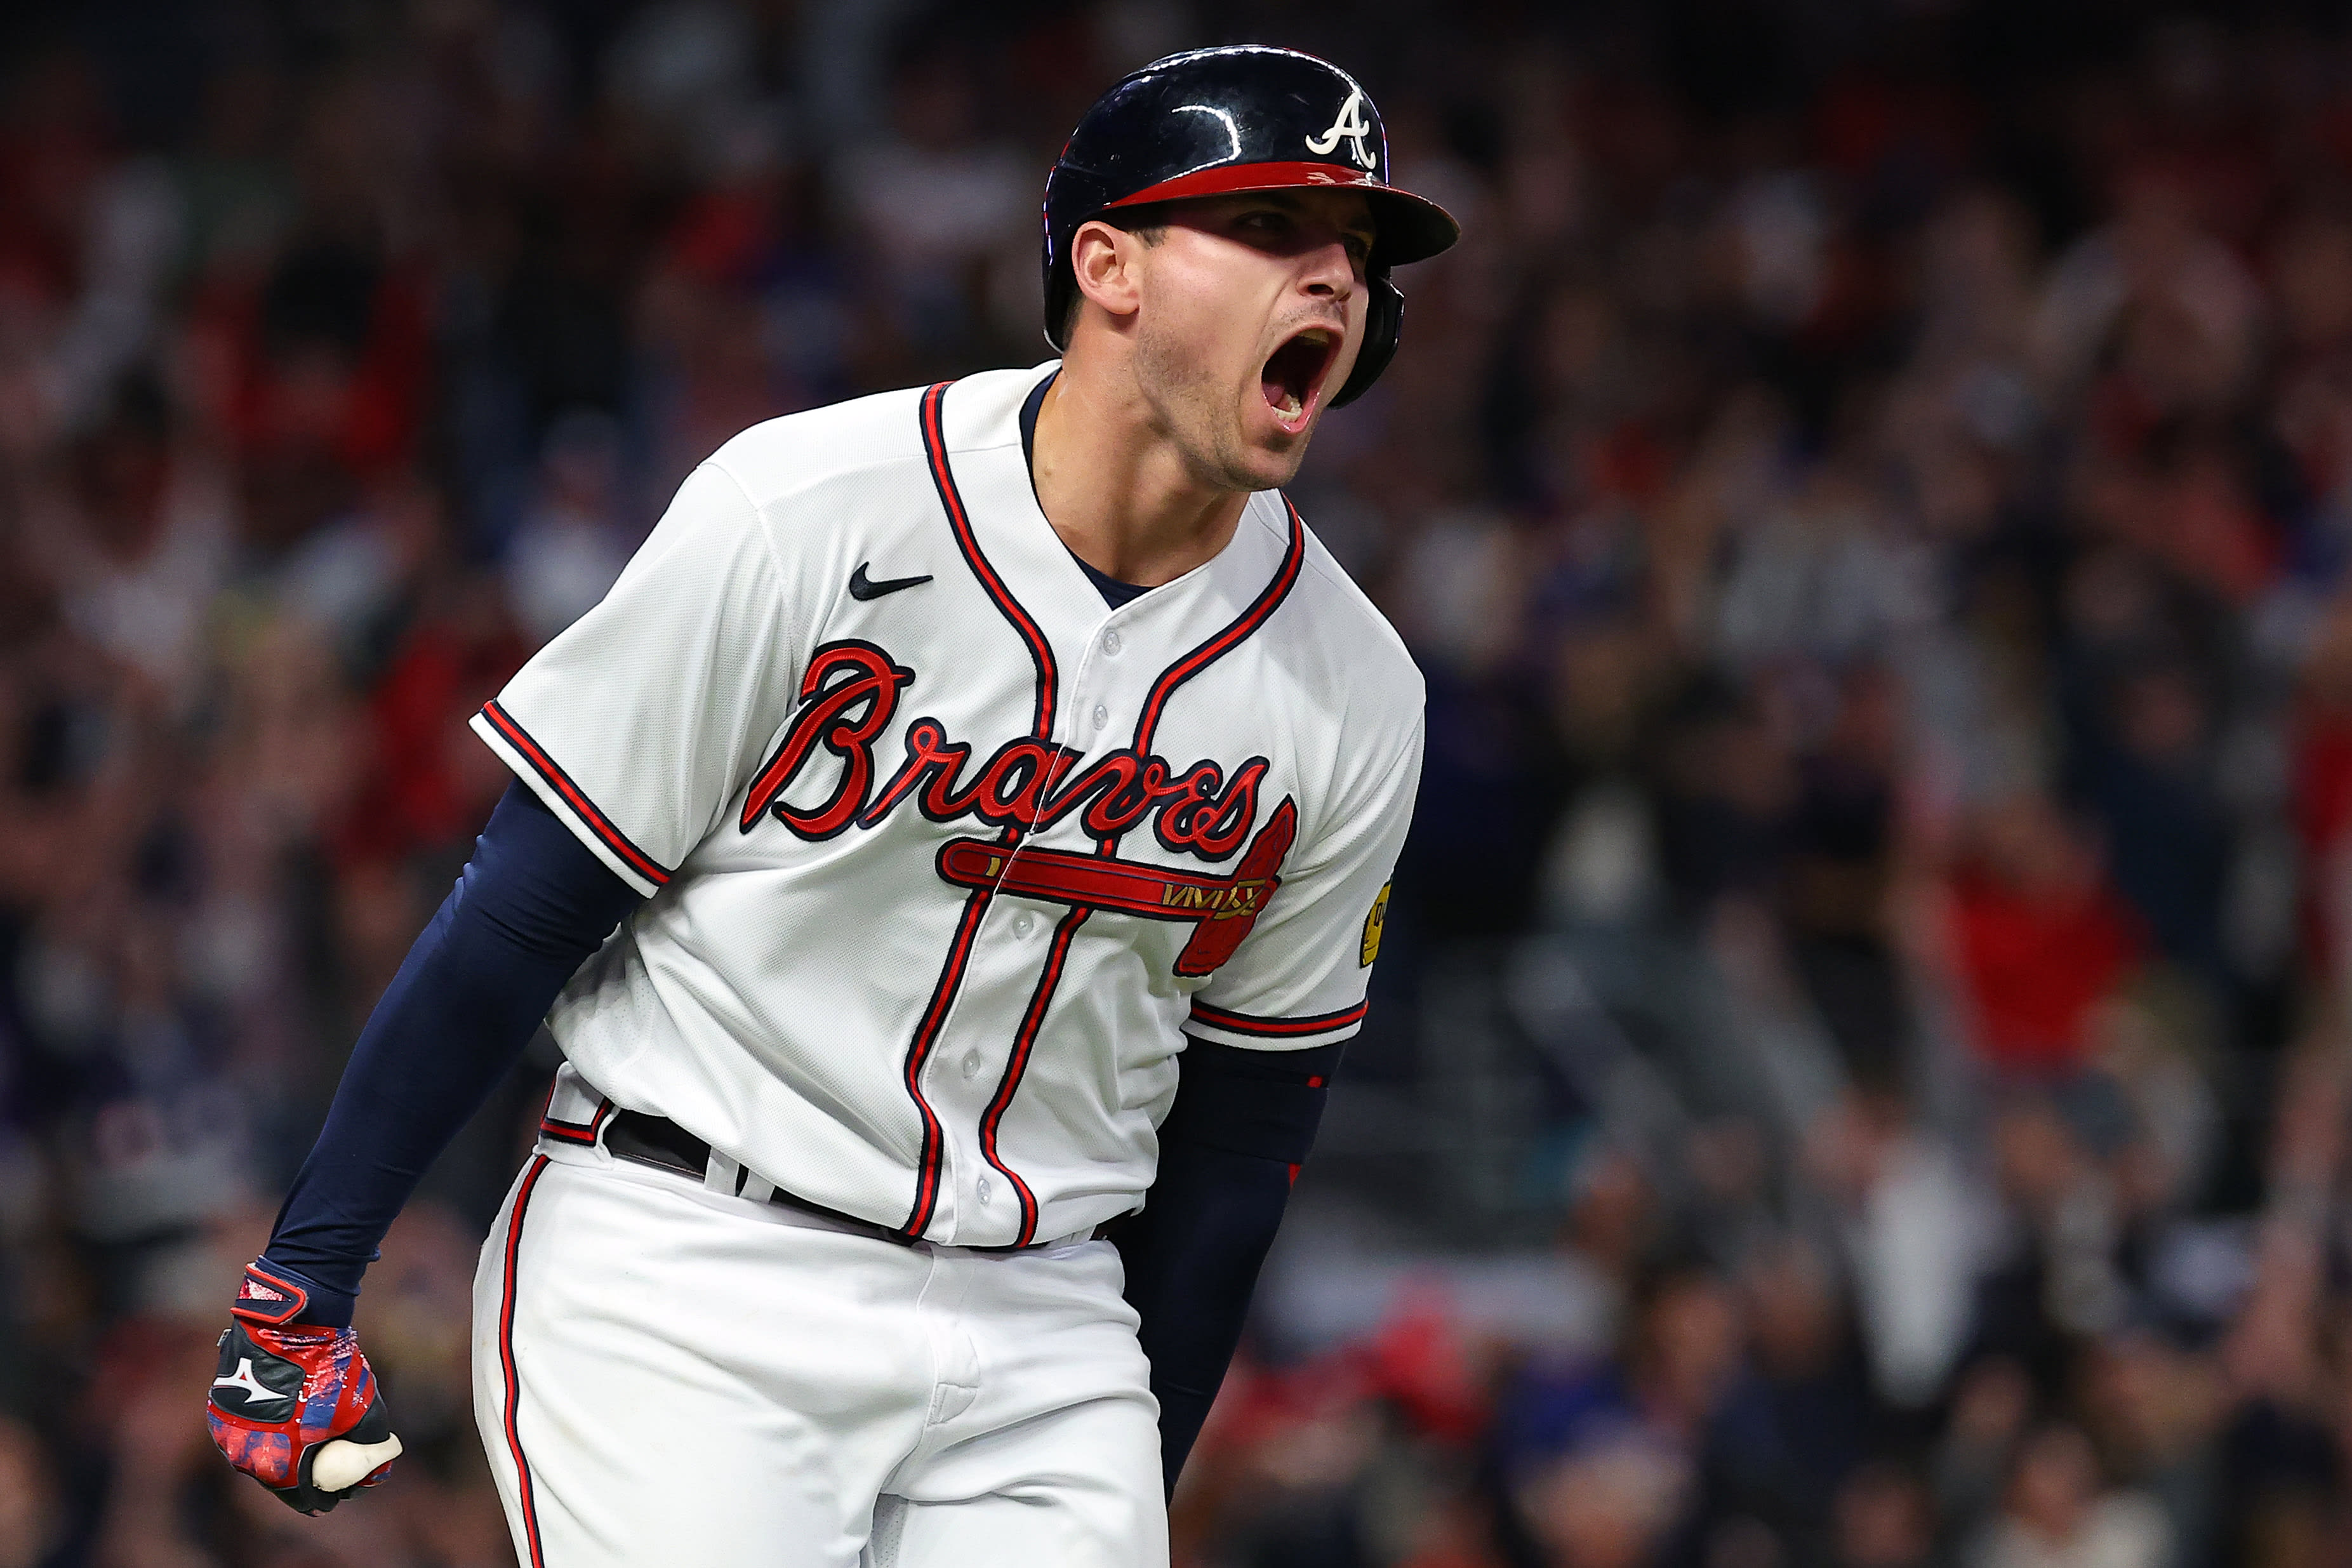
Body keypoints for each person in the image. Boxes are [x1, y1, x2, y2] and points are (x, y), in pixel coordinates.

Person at [203, 44, 1457, 1567]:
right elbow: (527, 903)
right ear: (1106, 264)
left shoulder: (1354, 690)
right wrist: (307, 1275)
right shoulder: (809, 508)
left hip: (1044, 1318)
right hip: (695, 1264)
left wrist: (1138, 1459)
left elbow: (1249, 1124)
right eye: (1269, 229)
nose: (1334, 278)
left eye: (1358, 251)